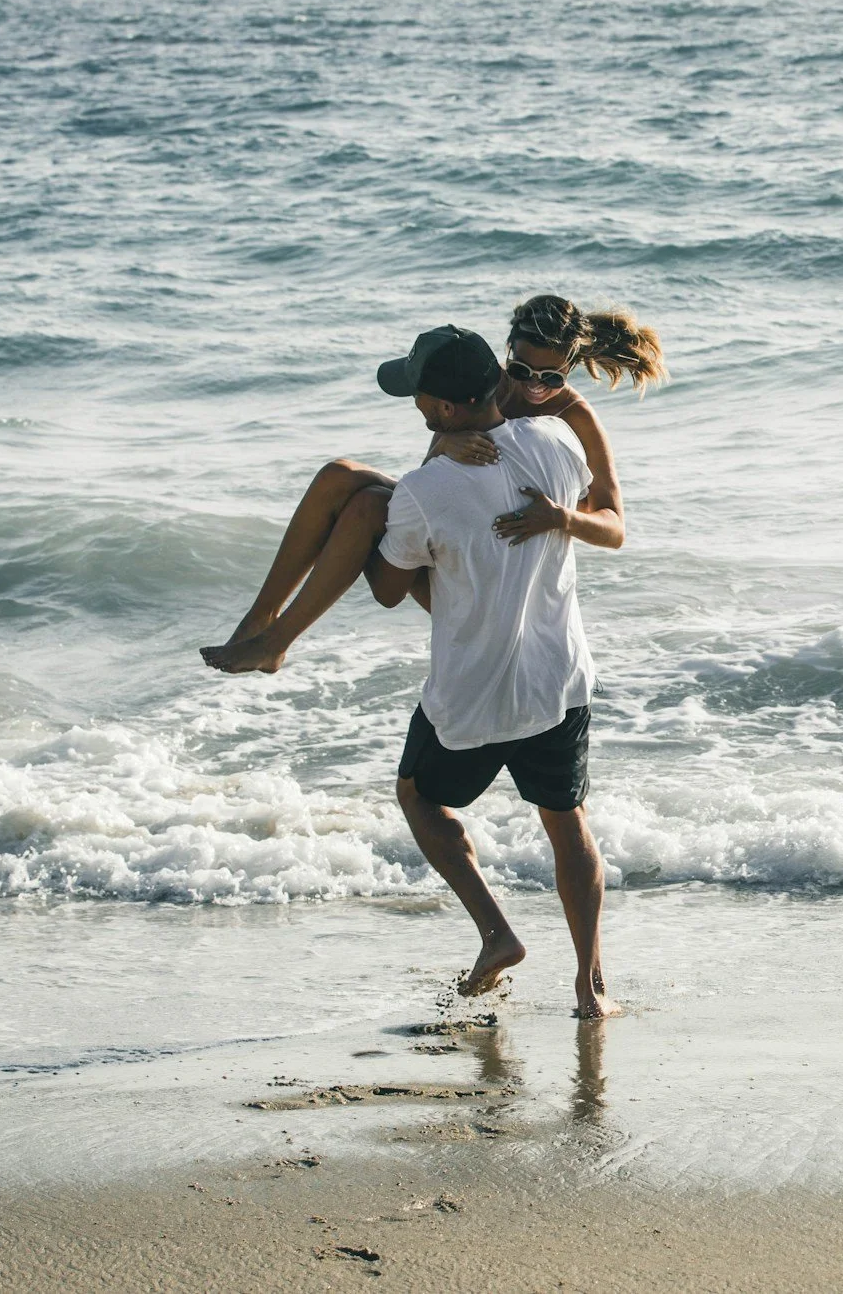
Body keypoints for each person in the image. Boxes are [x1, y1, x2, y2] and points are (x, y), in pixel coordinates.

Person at [355, 323, 621, 1020]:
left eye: (418, 394)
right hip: (555, 683)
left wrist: (377, 514)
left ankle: (497, 931)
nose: (414, 401)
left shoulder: (422, 488)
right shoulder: (560, 445)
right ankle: (591, 989)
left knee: (417, 794)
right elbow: (599, 514)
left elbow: (387, 586)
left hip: (471, 697)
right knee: (569, 826)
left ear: (442, 409)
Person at [198, 295, 662, 673]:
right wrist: (445, 447)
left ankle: (276, 642)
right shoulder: (484, 387)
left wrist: (562, 518)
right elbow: (430, 477)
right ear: (508, 355)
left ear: (572, 367)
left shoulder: (575, 417)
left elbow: (615, 528)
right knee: (337, 476)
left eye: (551, 378)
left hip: (498, 581)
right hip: (456, 538)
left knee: (366, 506)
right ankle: (262, 621)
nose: (532, 389)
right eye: (521, 371)